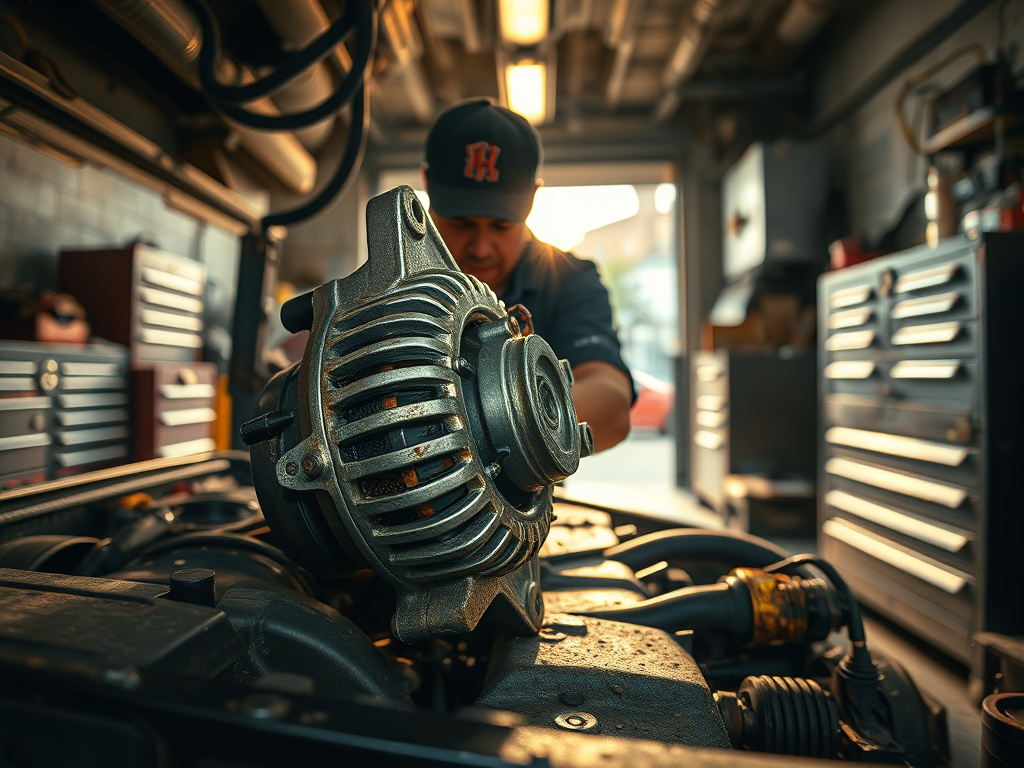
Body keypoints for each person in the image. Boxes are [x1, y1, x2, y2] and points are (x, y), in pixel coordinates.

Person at [420, 97, 634, 453]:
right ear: (427, 183)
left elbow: (612, 406)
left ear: (533, 198)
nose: (481, 247)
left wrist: (478, 426)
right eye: (461, 223)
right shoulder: (398, 284)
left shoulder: (567, 279)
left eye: (501, 226)